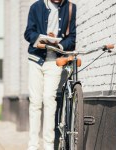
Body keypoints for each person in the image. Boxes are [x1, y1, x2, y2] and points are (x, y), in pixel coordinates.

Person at [24, 0, 76, 150]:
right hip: (36, 60)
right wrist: (42, 38)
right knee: (35, 102)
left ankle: (48, 145)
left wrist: (58, 45)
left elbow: (72, 38)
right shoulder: (36, 7)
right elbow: (28, 33)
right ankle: (33, 145)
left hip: (54, 61)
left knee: (49, 99)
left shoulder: (71, 8)